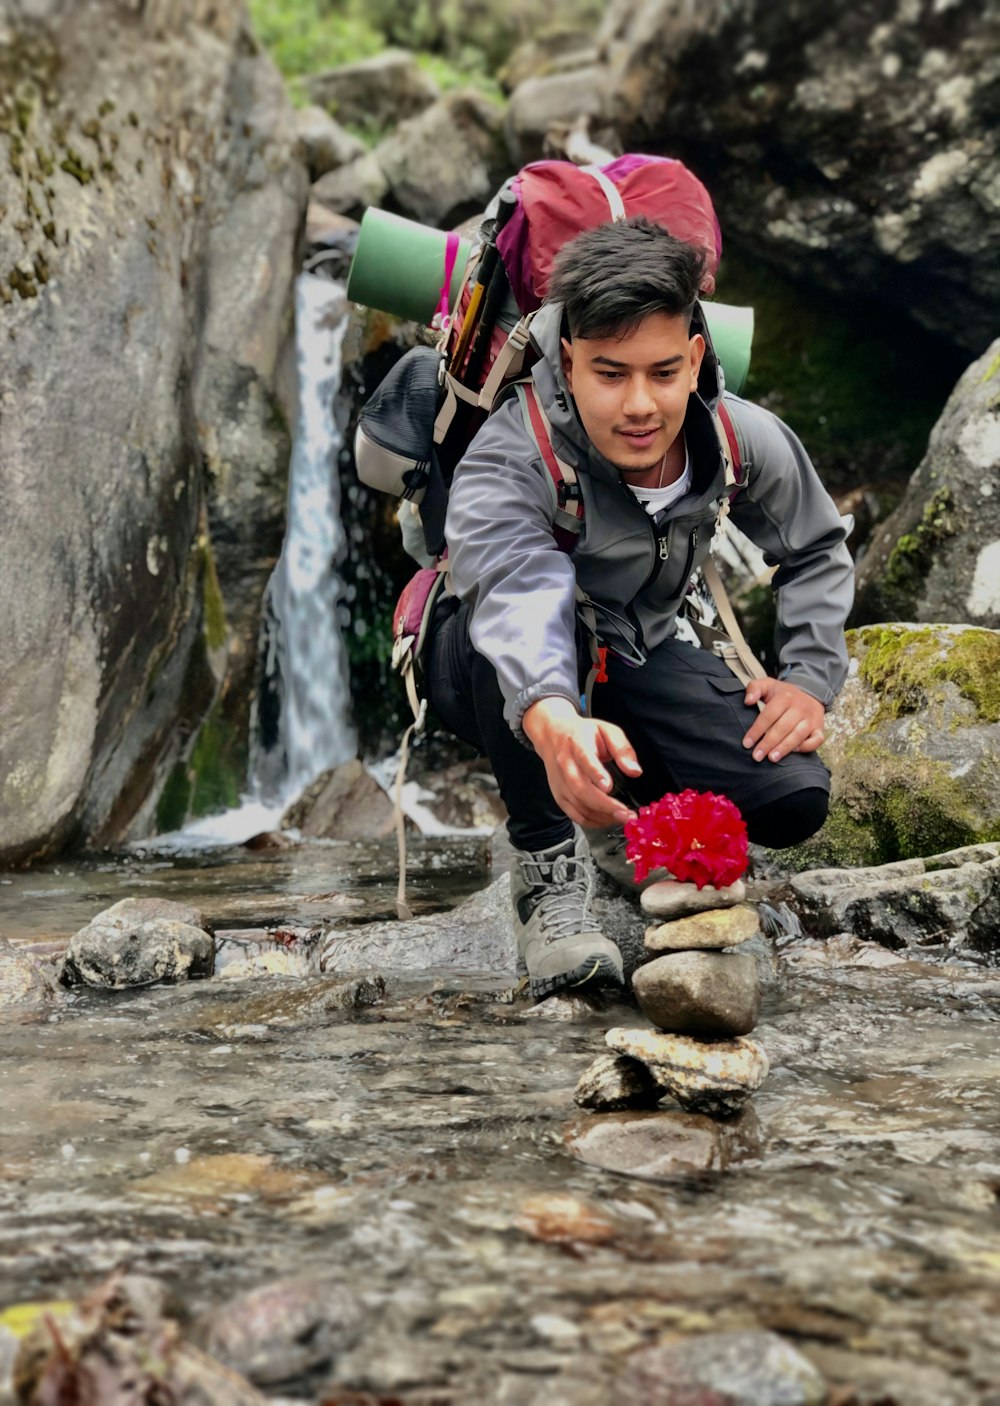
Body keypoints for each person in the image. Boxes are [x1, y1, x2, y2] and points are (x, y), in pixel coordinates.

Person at [422, 216, 854, 999]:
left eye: (661, 371)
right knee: (508, 658)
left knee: (793, 795)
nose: (639, 405)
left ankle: (626, 826)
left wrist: (809, 677)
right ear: (568, 361)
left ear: (693, 358)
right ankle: (546, 869)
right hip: (492, 662)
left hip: (636, 652)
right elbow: (514, 589)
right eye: (609, 373)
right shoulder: (512, 455)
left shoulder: (735, 435)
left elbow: (817, 547)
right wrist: (554, 722)